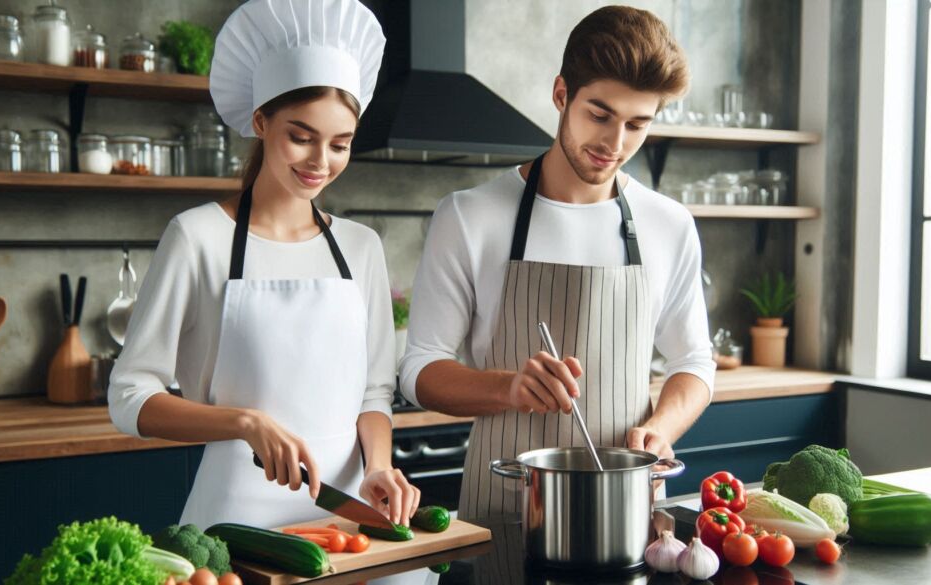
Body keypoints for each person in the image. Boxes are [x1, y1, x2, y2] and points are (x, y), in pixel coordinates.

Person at [108, 0, 420, 531]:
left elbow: (373, 393)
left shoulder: (360, 246)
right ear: (260, 121)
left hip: (349, 514)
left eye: (340, 144)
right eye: (301, 137)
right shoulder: (198, 236)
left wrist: (380, 465)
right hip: (239, 516)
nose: (321, 162)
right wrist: (244, 422)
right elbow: (129, 396)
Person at [399, 6, 715, 521]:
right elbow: (419, 370)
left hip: (626, 507)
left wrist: (662, 428)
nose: (614, 146)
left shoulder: (668, 224)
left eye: (637, 124)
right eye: (600, 115)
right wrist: (507, 387)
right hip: (506, 503)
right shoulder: (470, 215)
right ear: (561, 93)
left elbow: (694, 363)